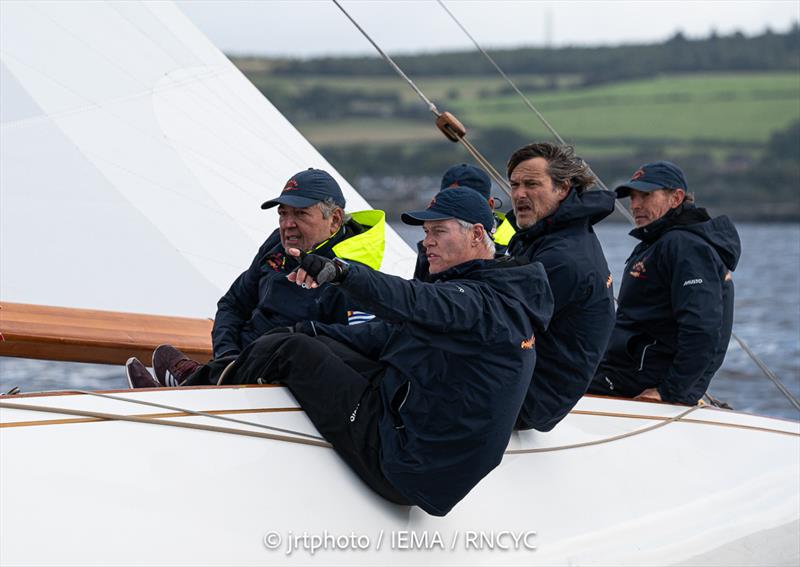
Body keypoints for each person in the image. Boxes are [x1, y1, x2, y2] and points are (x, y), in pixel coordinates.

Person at [128, 188, 554, 517]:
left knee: (292, 351)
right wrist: (312, 329)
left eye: (437, 231)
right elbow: (391, 335)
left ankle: (192, 391)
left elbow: (410, 300)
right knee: (305, 341)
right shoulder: (501, 290)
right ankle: (209, 384)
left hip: (406, 466)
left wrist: (342, 273)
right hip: (414, 434)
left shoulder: (479, 303)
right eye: (424, 233)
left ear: (477, 235)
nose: (426, 243)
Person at [125, 168, 386, 387]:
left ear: (335, 219)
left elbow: (359, 351)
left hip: (286, 383)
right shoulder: (276, 244)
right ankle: (208, 379)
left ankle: (195, 382)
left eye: (300, 213)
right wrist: (228, 357)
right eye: (283, 213)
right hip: (238, 364)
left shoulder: (353, 274)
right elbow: (233, 304)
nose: (287, 224)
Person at [588, 161, 740, 405]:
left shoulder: (685, 246)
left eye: (646, 195)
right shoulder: (658, 243)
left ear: (676, 197)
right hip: (624, 370)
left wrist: (670, 392)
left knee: (551, 386)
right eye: (633, 197)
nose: (635, 205)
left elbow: (702, 329)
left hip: (642, 381)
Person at [505, 142, 616, 432]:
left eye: (531, 184)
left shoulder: (562, 258)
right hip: (529, 386)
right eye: (514, 184)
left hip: (529, 401)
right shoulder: (549, 237)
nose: (519, 194)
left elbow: (498, 325)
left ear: (563, 189)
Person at [412, 163, 515, 280]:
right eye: (448, 198)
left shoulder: (519, 239)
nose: (428, 242)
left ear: (490, 205)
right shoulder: (431, 247)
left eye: (470, 199)